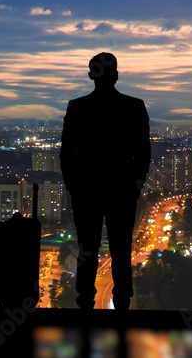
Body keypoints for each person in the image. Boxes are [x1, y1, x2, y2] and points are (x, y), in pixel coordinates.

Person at [60, 51, 151, 310]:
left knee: (87, 247)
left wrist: (74, 186)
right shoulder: (134, 106)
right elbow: (143, 151)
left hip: (87, 190)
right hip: (121, 190)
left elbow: (67, 153)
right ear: (117, 75)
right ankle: (122, 301)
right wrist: (136, 184)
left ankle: (85, 302)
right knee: (121, 248)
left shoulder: (77, 107)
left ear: (91, 76)